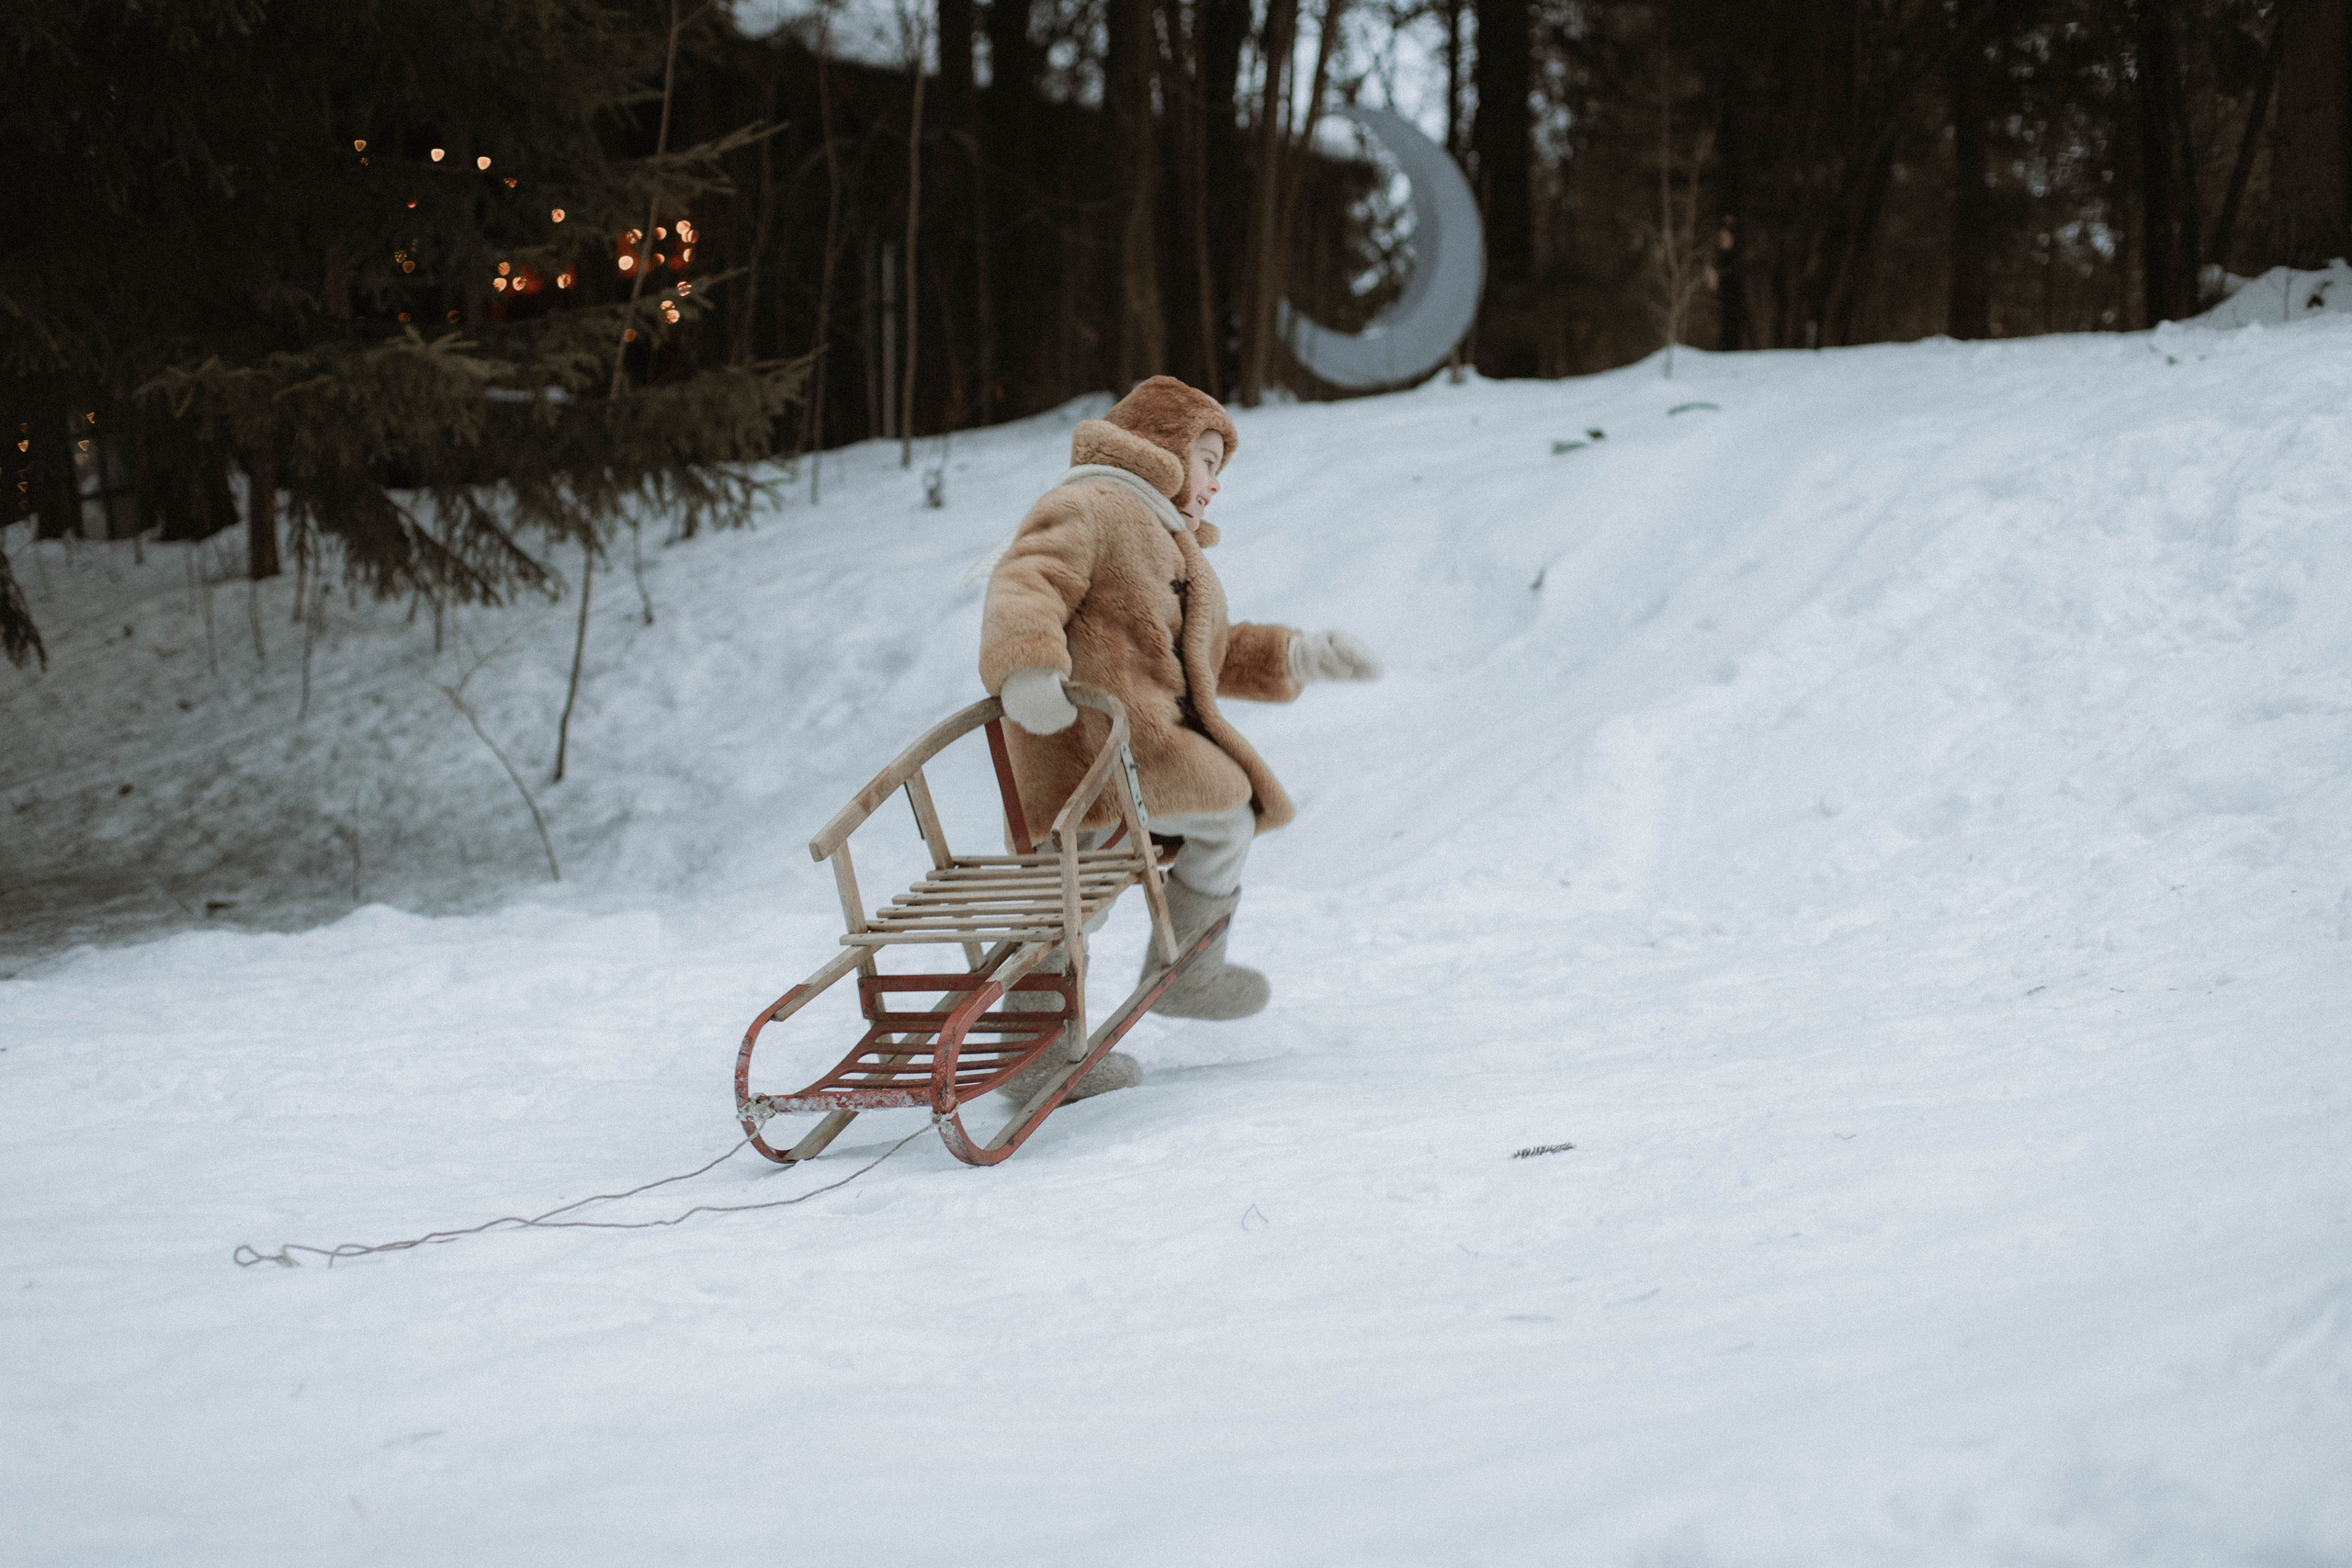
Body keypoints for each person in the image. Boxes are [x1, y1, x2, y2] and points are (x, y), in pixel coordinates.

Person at [978, 375, 1380, 1100]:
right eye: (1207, 462)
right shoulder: (1091, 503)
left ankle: (1112, 1008)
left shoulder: (1170, 543)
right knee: (1211, 817)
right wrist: (1029, 669)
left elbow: (1213, 650)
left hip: (1133, 758)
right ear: (1164, 448)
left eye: (1220, 470)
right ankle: (1178, 976)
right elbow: (1027, 578)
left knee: (1091, 893)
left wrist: (1302, 654)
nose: (1214, 486)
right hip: (1088, 749)